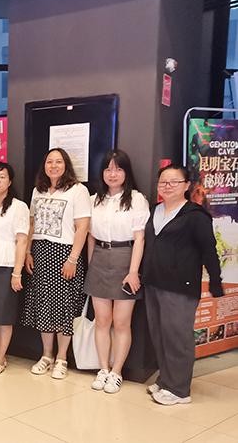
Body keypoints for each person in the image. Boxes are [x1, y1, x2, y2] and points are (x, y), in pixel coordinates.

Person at [143, 164, 223, 405]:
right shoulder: (154, 210)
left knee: (177, 337)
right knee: (159, 334)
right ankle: (166, 380)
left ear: (186, 185)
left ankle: (179, 390)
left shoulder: (196, 216)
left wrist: (216, 281)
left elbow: (209, 250)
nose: (167, 186)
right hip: (153, 282)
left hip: (180, 286)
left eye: (174, 182)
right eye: (163, 182)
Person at [23, 147, 90, 380]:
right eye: (49, 162)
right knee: (44, 304)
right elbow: (32, 224)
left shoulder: (78, 190)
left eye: (58, 161)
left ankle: (62, 357)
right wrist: (28, 251)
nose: (53, 166)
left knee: (63, 307)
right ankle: (46, 355)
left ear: (66, 165)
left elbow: (82, 227)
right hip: (40, 252)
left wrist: (73, 259)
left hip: (64, 253)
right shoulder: (38, 190)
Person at [85, 150, 149, 393]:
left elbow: (140, 238)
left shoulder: (136, 199)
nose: (112, 174)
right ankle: (103, 369)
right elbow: (91, 237)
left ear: (126, 172)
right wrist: (91, 266)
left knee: (122, 322)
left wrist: (133, 272)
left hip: (125, 258)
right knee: (102, 320)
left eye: (118, 169)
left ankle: (116, 372)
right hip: (100, 259)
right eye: (108, 169)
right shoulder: (94, 200)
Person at [0, 162, 29, 377]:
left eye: (1, 177)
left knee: (4, 315)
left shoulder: (18, 207)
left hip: (6, 266)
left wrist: (17, 273)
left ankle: (1, 358)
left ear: (10, 182)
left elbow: (22, 241)